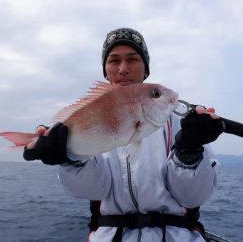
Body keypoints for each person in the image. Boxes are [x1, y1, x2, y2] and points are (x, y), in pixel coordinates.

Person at [24, 28, 225, 242]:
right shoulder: (93, 112)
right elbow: (92, 190)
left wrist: (189, 150)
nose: (123, 69)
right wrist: (70, 158)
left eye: (133, 59)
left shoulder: (181, 124)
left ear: (145, 69)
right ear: (105, 70)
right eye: (113, 61)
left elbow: (194, 196)